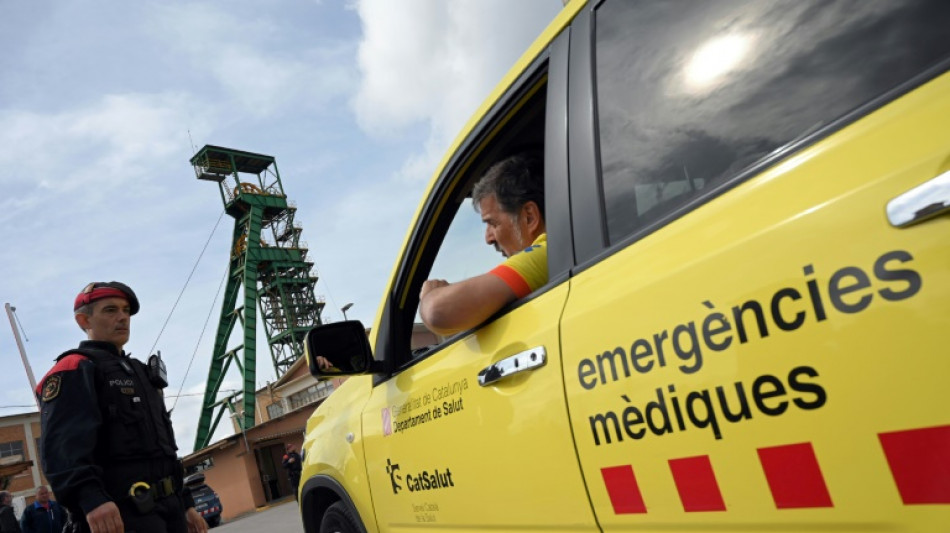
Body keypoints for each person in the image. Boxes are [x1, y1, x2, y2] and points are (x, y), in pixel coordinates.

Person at [36, 282, 207, 533]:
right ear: (84, 321)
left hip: (170, 510)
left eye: (126, 310)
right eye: (110, 310)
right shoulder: (75, 368)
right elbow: (62, 447)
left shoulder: (140, 371)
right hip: (120, 513)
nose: (122, 317)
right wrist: (91, 499)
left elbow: (163, 447)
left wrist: (185, 503)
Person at [420, 153, 547, 336]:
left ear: (529, 217)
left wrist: (430, 295)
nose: (488, 238)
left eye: (493, 223)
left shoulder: (545, 253)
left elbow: (437, 312)